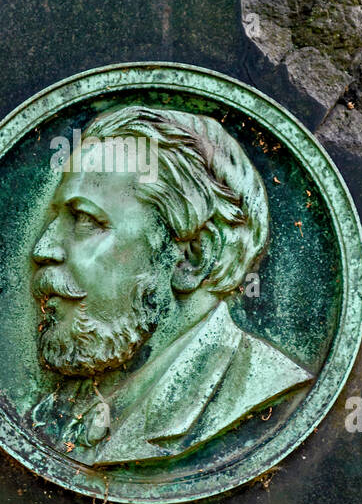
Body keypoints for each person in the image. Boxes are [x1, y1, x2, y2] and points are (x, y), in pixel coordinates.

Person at [27, 104, 312, 466]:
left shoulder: (262, 391)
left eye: (85, 219)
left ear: (193, 258)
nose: (42, 249)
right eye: (58, 219)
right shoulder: (56, 408)